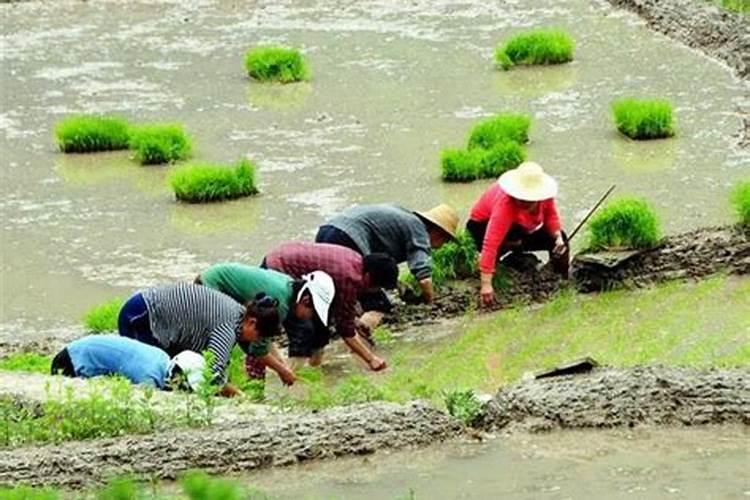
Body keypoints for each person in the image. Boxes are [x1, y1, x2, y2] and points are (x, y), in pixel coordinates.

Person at [118, 282, 281, 397]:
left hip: (150, 313)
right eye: (259, 336)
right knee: (153, 372)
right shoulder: (228, 327)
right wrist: (240, 396)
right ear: (252, 323)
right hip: (142, 315)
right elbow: (213, 376)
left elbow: (212, 361)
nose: (255, 341)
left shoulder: (235, 313)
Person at [263, 242, 398, 371]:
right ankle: (289, 376)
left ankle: (313, 367)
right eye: (378, 287)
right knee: (302, 330)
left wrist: (355, 322)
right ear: (368, 277)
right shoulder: (350, 279)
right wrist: (371, 359)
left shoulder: (356, 261)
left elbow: (338, 311)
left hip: (286, 256)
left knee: (321, 326)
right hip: (280, 269)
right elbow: (345, 330)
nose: (376, 291)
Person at [195, 264, 335, 385]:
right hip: (212, 286)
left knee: (246, 339)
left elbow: (264, 341)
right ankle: (221, 386)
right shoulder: (280, 305)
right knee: (224, 341)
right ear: (305, 301)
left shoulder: (288, 287)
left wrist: (282, 365)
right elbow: (258, 349)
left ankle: (245, 388)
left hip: (213, 280)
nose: (309, 318)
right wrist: (282, 371)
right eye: (313, 313)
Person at [466, 162, 569, 307]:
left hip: (520, 230)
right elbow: (490, 243)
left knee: (560, 238)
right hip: (481, 228)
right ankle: (499, 262)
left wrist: (557, 237)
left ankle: (561, 278)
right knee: (507, 238)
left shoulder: (545, 198)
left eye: (529, 200)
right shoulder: (505, 205)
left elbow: (551, 216)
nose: (524, 202)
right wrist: (486, 285)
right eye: (521, 198)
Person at [315, 203, 459, 303]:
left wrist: (397, 284)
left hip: (327, 230)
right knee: (377, 302)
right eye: (445, 241)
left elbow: (379, 262)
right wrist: (430, 300)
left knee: (328, 288)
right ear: (439, 233)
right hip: (347, 238)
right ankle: (359, 337)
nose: (443, 246)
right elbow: (424, 277)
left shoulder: (404, 217)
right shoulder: (419, 230)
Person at [50, 335, 206, 391]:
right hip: (71, 360)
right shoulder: (148, 375)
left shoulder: (162, 357)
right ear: (176, 375)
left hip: (77, 350)